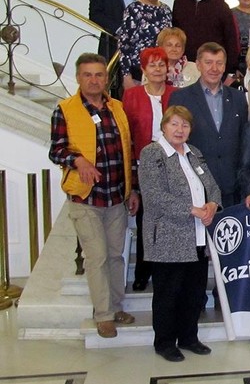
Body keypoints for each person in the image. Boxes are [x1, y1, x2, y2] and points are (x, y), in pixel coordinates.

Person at [48, 53, 139, 339]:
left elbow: (128, 150)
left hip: (117, 196)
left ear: (106, 78)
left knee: (115, 256)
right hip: (86, 198)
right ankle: (103, 315)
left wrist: (133, 189)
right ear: (78, 77)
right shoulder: (65, 109)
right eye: (87, 75)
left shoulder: (117, 108)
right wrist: (78, 160)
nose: (94, 80)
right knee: (97, 257)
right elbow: (56, 150)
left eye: (99, 74)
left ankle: (116, 307)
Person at [139, 105, 220, 362]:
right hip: (168, 236)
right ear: (163, 126)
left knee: (194, 293)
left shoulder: (194, 153)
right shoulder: (152, 154)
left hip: (197, 236)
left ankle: (189, 338)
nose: (179, 129)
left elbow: (212, 186)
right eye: (174, 124)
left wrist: (212, 205)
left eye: (184, 125)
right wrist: (193, 210)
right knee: (168, 294)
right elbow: (154, 196)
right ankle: (164, 342)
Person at [122, 47, 177, 291]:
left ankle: (169, 269)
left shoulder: (177, 94)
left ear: (168, 68)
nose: (157, 69)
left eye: (161, 64)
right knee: (147, 219)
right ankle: (144, 271)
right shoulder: (131, 96)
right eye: (152, 65)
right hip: (144, 164)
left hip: (173, 164)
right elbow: (127, 136)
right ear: (143, 69)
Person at [168, 42, 248, 208]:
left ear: (225, 66)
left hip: (231, 187)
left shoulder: (238, 98)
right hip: (195, 187)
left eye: (219, 63)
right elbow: (173, 145)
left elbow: (243, 142)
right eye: (208, 62)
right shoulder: (180, 98)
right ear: (198, 65)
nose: (214, 68)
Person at [172, 0, 239, 75]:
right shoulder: (180, 3)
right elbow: (175, 35)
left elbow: (231, 40)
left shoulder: (221, 6)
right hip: (184, 66)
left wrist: (230, 72)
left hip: (213, 68)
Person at [116, 0, 172, 91]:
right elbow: (124, 45)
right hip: (138, 73)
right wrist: (126, 76)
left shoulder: (166, 10)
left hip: (161, 72)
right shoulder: (133, 9)